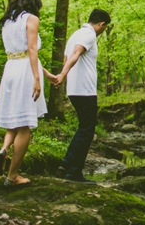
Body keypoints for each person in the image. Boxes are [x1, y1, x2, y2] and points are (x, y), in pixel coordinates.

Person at [0, 0, 57, 186]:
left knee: (15, 120)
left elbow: (20, 52)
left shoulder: (7, 22)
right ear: (31, 4)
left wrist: (45, 73)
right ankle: (12, 177)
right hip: (25, 73)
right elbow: (30, 50)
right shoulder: (31, 19)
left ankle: (3, 149)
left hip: (11, 68)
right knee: (25, 126)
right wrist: (37, 79)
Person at [55, 9, 111, 183]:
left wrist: (66, 77)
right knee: (87, 130)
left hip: (75, 89)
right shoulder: (88, 35)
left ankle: (66, 164)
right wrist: (62, 75)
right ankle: (74, 173)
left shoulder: (75, 34)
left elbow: (66, 58)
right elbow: (75, 54)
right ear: (101, 24)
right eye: (104, 28)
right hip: (84, 90)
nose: (102, 32)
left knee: (83, 128)